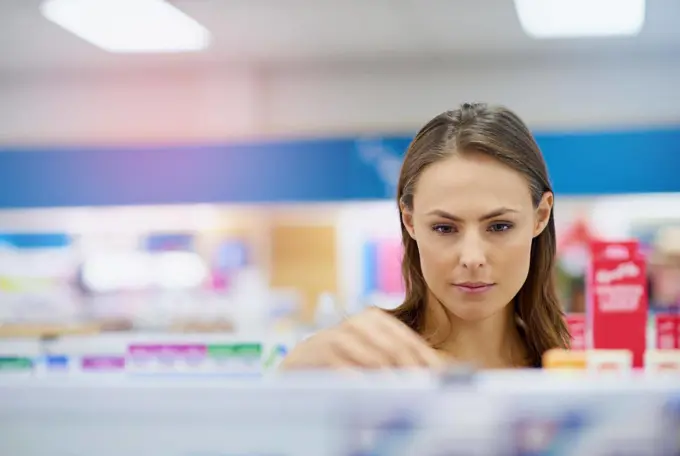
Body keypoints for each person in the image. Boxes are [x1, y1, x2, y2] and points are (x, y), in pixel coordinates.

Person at [281, 102, 571, 370]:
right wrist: (298, 369)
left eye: (499, 226)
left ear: (541, 216)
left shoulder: (578, 367)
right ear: (410, 221)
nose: (472, 258)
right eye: (444, 228)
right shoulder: (367, 362)